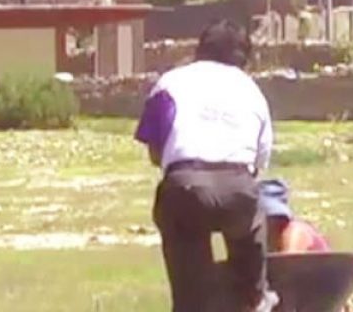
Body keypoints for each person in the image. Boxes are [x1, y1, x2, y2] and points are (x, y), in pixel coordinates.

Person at [133, 20, 279, 312]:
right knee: (250, 228)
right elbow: (259, 163)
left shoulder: (170, 82)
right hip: (238, 185)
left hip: (184, 186)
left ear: (200, 49)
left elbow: (154, 151)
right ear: (244, 59)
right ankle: (255, 297)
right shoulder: (251, 89)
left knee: (190, 292)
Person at [258, 178, 331, 254]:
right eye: (269, 218)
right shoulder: (262, 238)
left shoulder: (295, 232)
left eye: (278, 217)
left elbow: (288, 263)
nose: (273, 222)